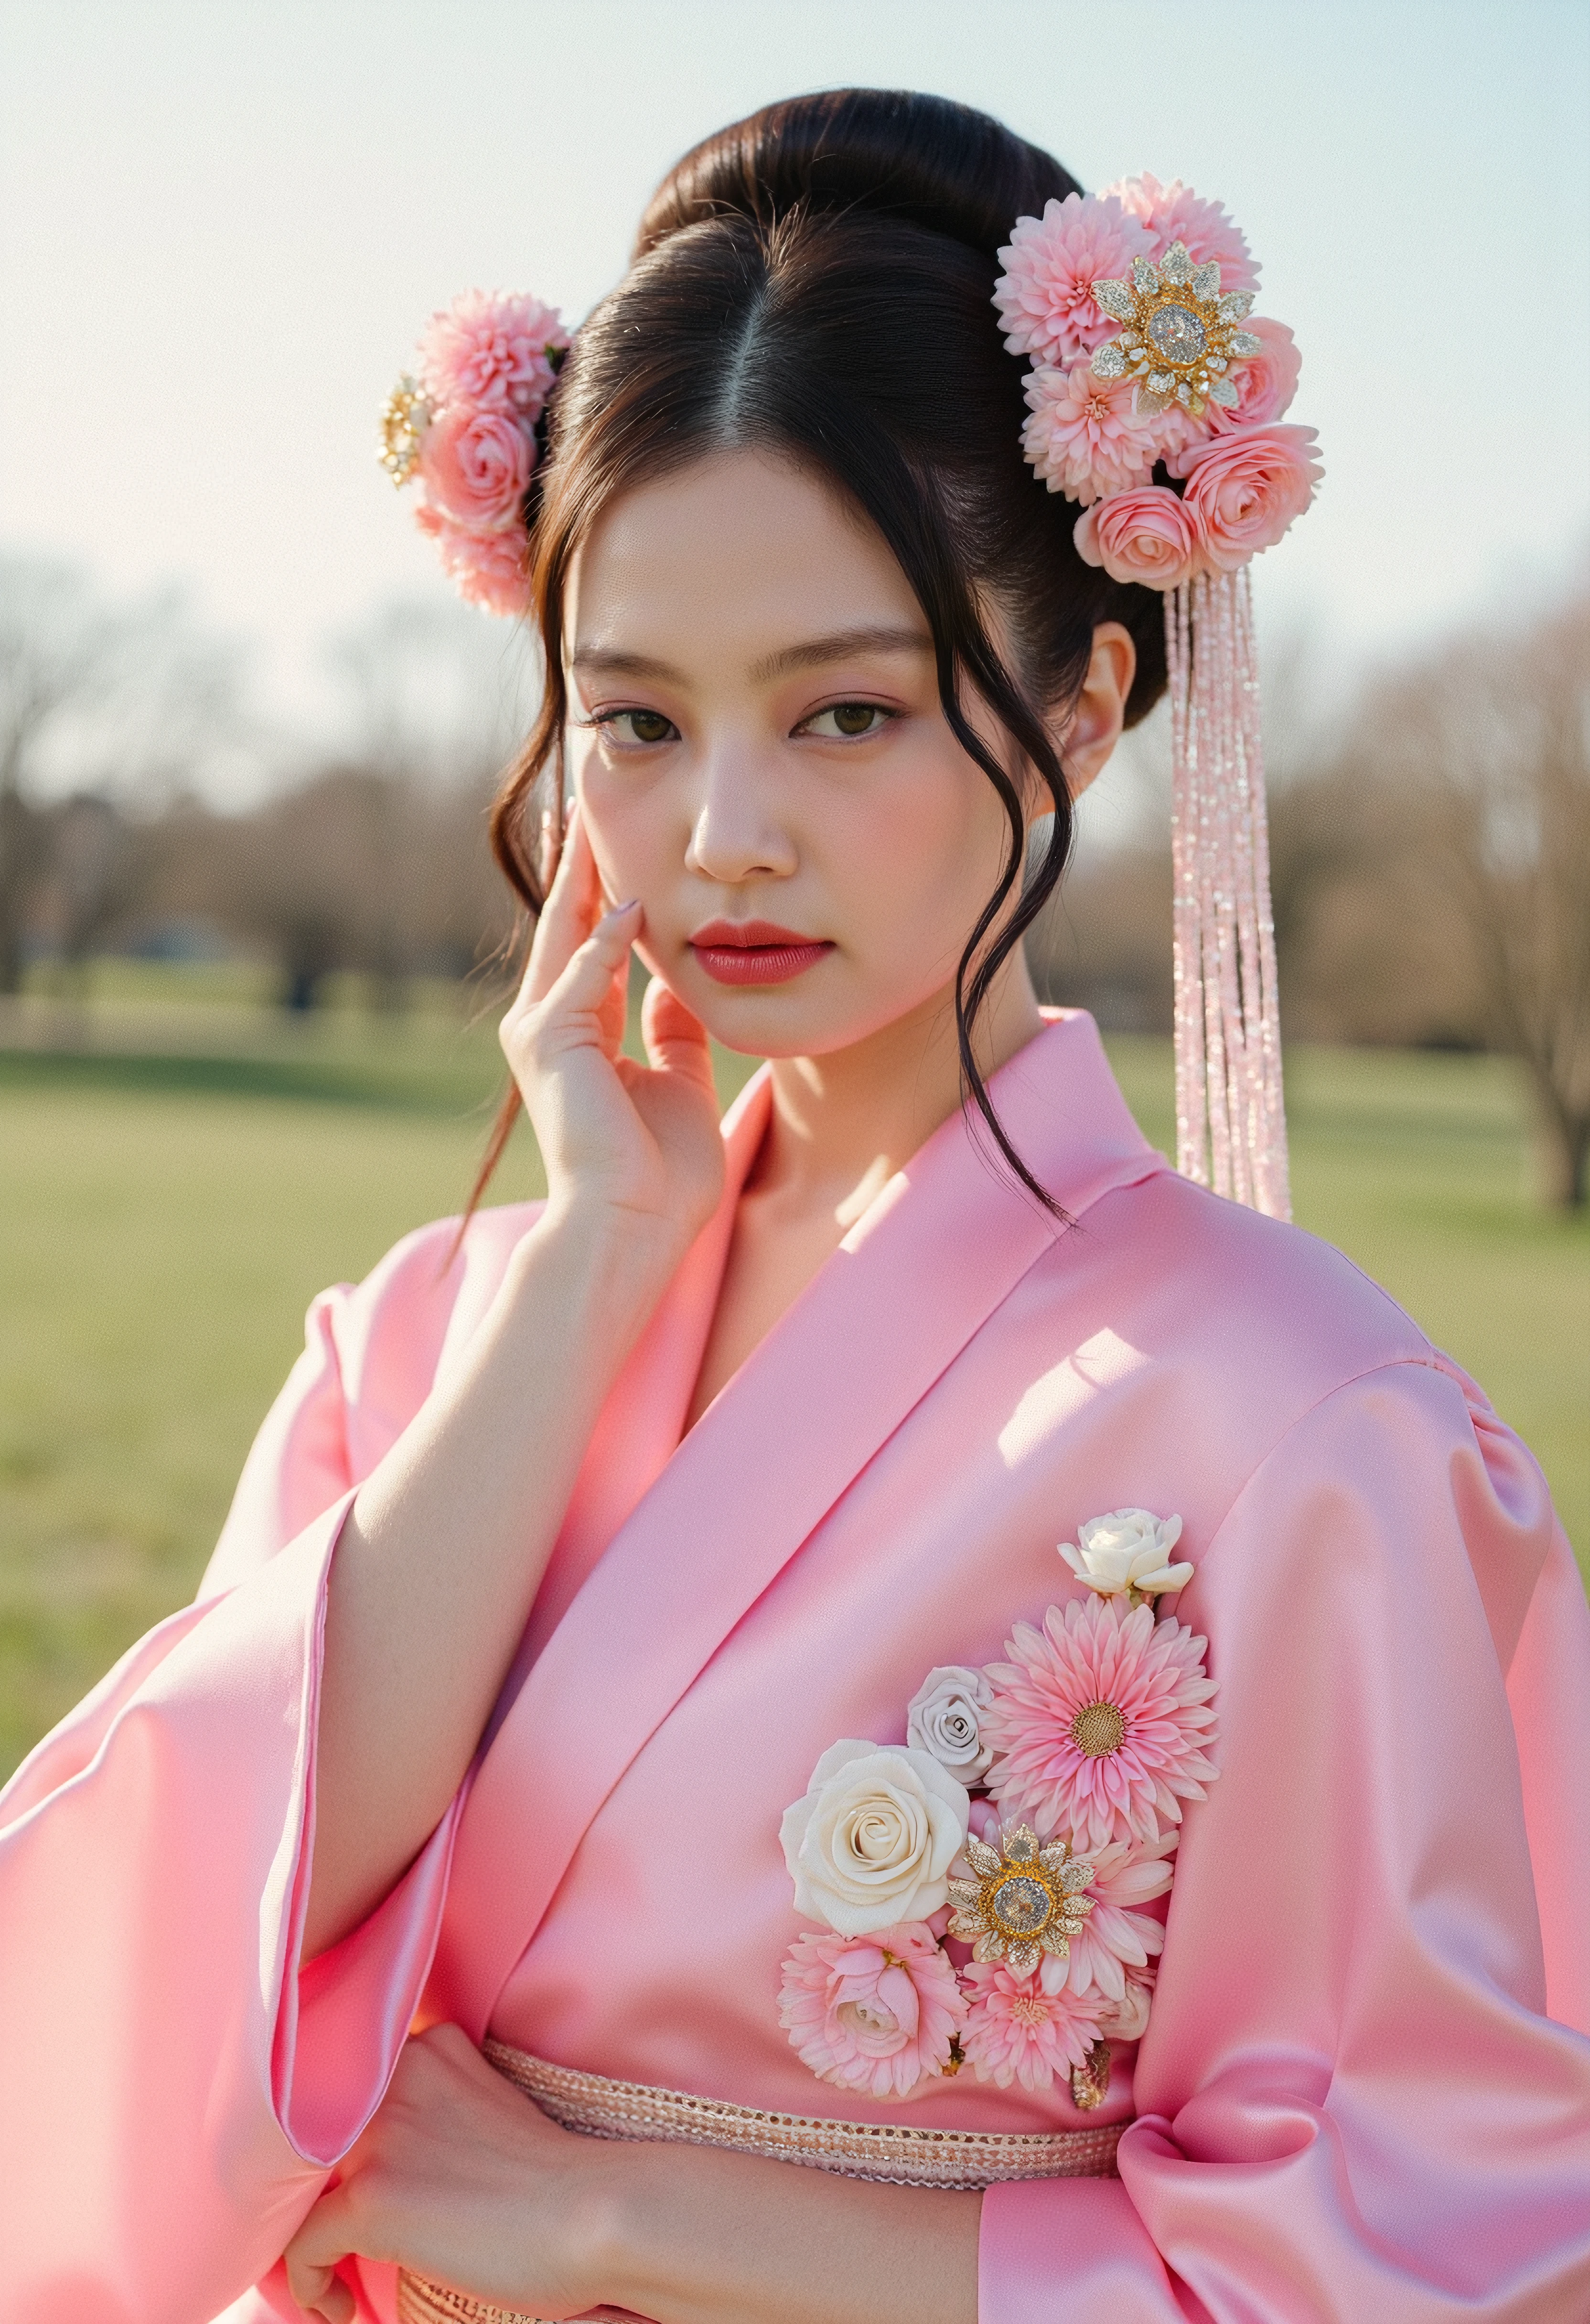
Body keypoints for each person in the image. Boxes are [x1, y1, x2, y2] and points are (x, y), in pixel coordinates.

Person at [2, 88, 1587, 2324]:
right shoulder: (438, 1335)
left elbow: (1421, 2255)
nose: (721, 834)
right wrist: (585, 1271)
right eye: (633, 724)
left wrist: (610, 2216)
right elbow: (175, 1958)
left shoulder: (1294, 1420)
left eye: (845, 716)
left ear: (1085, 697)